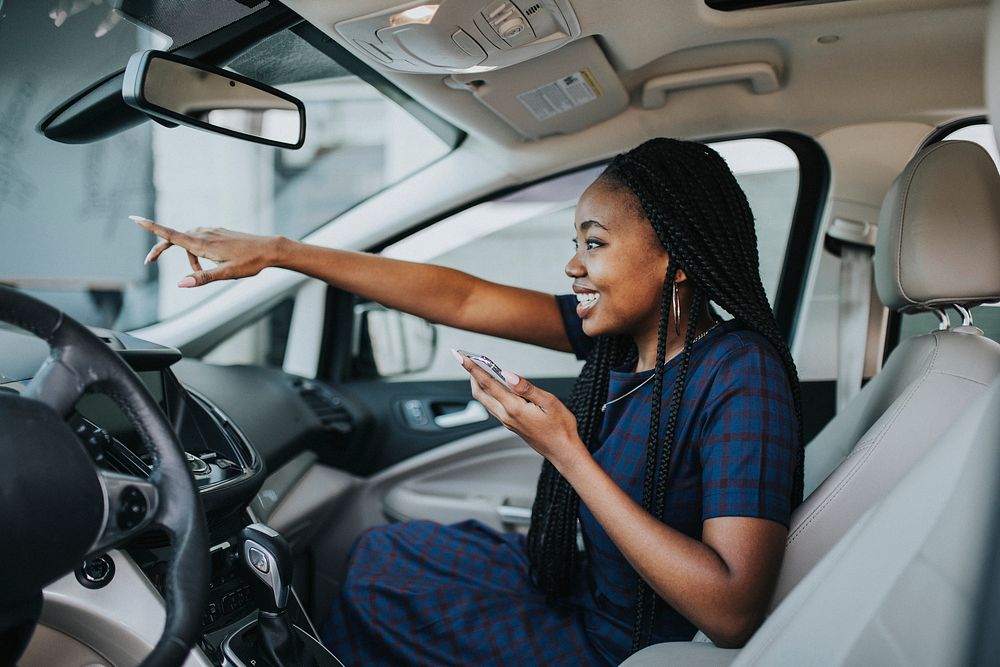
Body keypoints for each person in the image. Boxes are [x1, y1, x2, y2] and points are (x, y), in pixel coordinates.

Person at [134, 137, 802, 666]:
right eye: (576, 243)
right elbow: (462, 298)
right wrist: (280, 252)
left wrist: (565, 451)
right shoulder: (625, 345)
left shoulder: (742, 374)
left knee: (384, 598)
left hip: (621, 646)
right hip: (581, 589)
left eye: (594, 243)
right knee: (382, 555)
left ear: (678, 259)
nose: (573, 264)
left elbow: (730, 608)